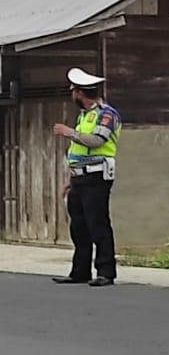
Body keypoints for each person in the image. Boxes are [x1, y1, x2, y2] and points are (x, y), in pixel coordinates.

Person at [51, 67, 121, 288]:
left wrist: (69, 132)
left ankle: (105, 271)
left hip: (97, 176)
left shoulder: (106, 114)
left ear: (80, 93)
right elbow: (79, 152)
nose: (73, 96)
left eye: (74, 92)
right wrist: (70, 180)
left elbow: (97, 141)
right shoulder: (86, 115)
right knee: (78, 226)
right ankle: (80, 270)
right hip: (79, 178)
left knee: (97, 224)